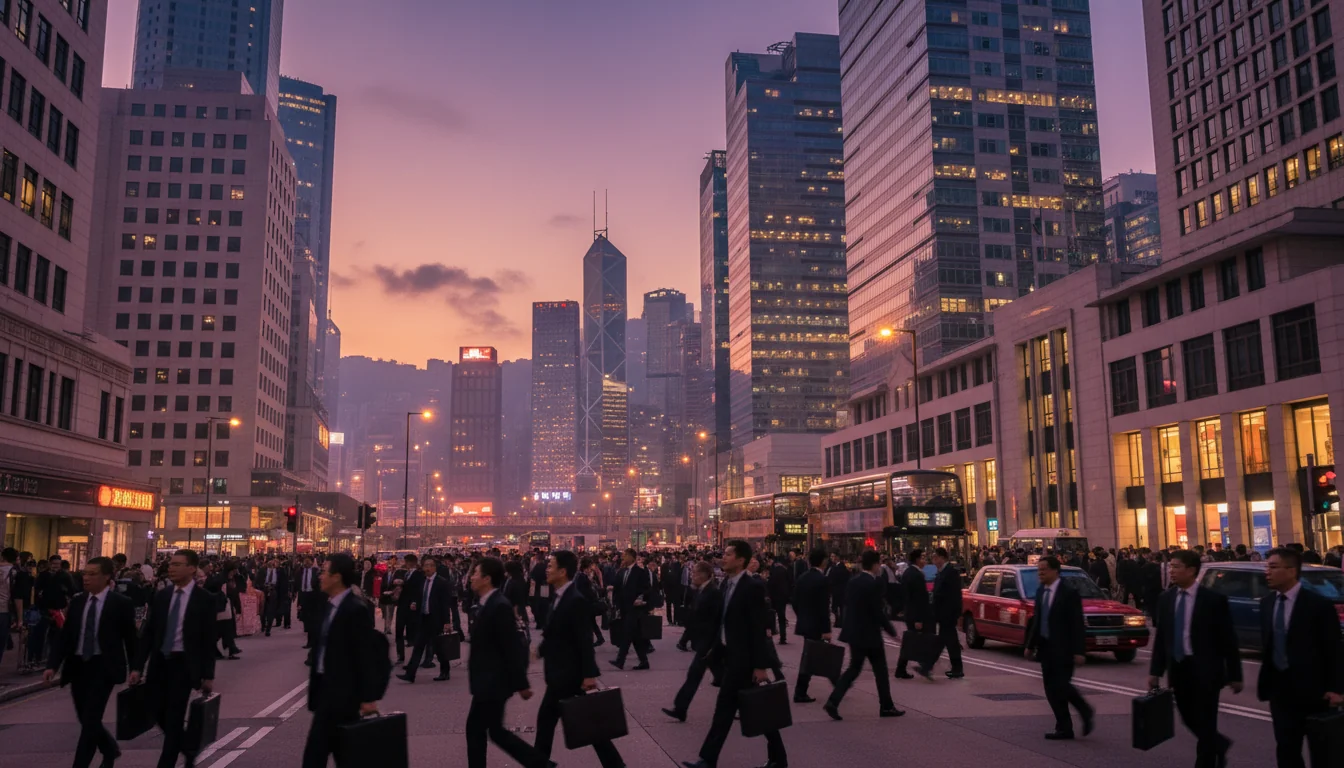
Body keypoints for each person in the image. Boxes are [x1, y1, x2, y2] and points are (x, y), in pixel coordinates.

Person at [683, 540, 786, 768]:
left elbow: (758, 628)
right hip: (730, 657)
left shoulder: (752, 587)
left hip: (745, 661)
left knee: (728, 711)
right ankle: (778, 758)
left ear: (740, 560)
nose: (724, 557)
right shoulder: (726, 584)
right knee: (752, 710)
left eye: (729, 554)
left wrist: (760, 666)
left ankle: (708, 760)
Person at [1146, 549, 1242, 768]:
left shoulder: (1213, 601)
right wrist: (1155, 671)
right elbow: (1162, 638)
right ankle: (1218, 744)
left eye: (1176, 566)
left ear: (1191, 570)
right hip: (1179, 668)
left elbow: (1228, 640)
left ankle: (1206, 761)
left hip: (1207, 670)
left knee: (1207, 719)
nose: (1171, 570)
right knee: (1188, 716)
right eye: (1170, 566)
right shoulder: (1166, 598)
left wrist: (1235, 675)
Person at [44, 556, 138, 768]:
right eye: (85, 573)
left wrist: (136, 668)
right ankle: (109, 748)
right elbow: (66, 637)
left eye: (92, 574)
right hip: (78, 666)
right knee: (86, 718)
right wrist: (52, 665)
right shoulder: (78, 602)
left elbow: (131, 639)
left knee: (91, 719)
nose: (86, 578)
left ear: (107, 577)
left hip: (104, 668)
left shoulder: (121, 604)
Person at [534, 550, 624, 767]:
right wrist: (538, 651)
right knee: (586, 724)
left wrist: (589, 674)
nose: (547, 569)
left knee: (558, 722)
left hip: (568, 674)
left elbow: (584, 640)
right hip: (561, 673)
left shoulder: (575, 599)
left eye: (551, 566)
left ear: (563, 571)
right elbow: (555, 632)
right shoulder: (559, 595)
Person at [1256, 547, 1343, 768]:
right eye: (1267, 567)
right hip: (1280, 691)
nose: (1267, 572)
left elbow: (1333, 649)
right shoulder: (1267, 603)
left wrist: (1336, 688)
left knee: (1322, 751)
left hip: (1315, 691)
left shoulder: (1318, 605)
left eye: (1273, 567)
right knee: (1286, 750)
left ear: (1292, 570)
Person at [134, 550, 217, 768]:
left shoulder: (204, 599)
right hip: (160, 661)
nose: (171, 568)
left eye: (178, 564)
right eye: (171, 564)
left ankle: (167, 762)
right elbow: (149, 633)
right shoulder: (162, 596)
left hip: (184, 665)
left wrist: (208, 675)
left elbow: (208, 640)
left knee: (175, 714)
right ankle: (189, 748)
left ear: (192, 568)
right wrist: (136, 666)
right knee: (155, 710)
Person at [465, 557, 550, 768]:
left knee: (481, 730)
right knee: (491, 731)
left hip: (493, 681)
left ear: (486, 578)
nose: (471, 578)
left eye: (475, 573)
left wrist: (522, 684)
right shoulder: (488, 603)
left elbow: (511, 647)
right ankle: (539, 763)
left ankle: (540, 763)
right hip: (489, 680)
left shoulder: (498, 605)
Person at [301, 554, 383, 768]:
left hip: (344, 696)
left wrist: (368, 698)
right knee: (337, 755)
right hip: (327, 693)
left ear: (337, 577)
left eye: (324, 572)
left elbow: (364, 655)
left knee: (319, 756)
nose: (320, 576)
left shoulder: (354, 609)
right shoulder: (329, 606)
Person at [823, 550, 903, 720]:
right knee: (880, 671)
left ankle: (833, 701)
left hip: (854, 632)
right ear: (875, 565)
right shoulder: (873, 584)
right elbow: (877, 611)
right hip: (870, 634)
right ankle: (886, 706)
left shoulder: (854, 581)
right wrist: (891, 631)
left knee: (853, 668)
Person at [1024, 556, 1093, 740]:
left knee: (1061, 686)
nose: (1040, 573)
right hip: (1046, 648)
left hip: (1065, 648)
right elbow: (1037, 621)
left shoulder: (1068, 592)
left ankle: (1085, 710)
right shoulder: (1040, 592)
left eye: (1044, 569)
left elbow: (1077, 623)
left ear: (1055, 570)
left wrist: (1079, 650)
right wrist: (1030, 646)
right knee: (1051, 690)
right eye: (1039, 569)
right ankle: (1064, 727)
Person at [663, 560, 722, 721]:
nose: (692, 576)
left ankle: (680, 708)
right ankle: (680, 708)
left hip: (708, 644)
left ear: (704, 575)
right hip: (703, 642)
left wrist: (710, 644)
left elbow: (715, 620)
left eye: (695, 573)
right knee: (719, 678)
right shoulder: (701, 590)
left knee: (695, 675)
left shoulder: (713, 592)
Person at [398, 556, 454, 683]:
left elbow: (445, 604)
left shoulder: (441, 583)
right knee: (418, 646)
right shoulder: (423, 581)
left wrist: (447, 622)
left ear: (434, 568)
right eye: (425, 565)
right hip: (423, 618)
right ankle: (410, 674)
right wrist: (415, 603)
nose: (427, 568)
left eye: (430, 565)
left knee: (438, 647)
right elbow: (420, 596)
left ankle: (445, 671)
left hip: (436, 619)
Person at [791, 548, 832, 704]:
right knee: (811, 657)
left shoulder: (802, 578)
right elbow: (824, 607)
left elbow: (794, 601)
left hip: (805, 622)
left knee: (812, 655)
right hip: (816, 624)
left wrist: (802, 616)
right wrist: (826, 630)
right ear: (823, 561)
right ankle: (800, 691)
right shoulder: (822, 580)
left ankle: (838, 682)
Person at [925, 547, 965, 679]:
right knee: (945, 641)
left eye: (935, 557)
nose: (934, 560)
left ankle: (929, 666)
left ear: (942, 558)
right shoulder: (941, 572)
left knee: (948, 641)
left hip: (948, 613)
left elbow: (955, 595)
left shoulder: (950, 573)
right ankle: (930, 666)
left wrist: (957, 614)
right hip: (942, 614)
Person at [609, 548, 651, 671]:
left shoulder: (640, 572)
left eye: (626, 555)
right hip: (624, 608)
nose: (623, 557)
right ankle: (644, 661)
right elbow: (617, 587)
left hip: (635, 608)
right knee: (636, 636)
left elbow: (647, 588)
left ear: (632, 557)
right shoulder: (622, 572)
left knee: (627, 634)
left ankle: (620, 661)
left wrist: (641, 598)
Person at [894, 549, 931, 679]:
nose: (925, 561)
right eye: (923, 558)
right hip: (916, 615)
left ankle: (904, 668)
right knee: (918, 641)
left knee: (911, 642)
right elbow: (917, 599)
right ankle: (924, 666)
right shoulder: (916, 575)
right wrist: (918, 619)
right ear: (917, 560)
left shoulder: (908, 573)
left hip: (911, 613)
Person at [394, 554, 425, 664]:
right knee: (399, 631)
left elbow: (419, 591)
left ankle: (414, 659)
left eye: (406, 562)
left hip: (411, 608)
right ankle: (400, 656)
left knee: (412, 633)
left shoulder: (419, 575)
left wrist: (414, 602)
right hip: (402, 606)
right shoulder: (404, 573)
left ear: (411, 562)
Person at [296, 556, 321, 650]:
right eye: (305, 562)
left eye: (308, 561)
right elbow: (297, 583)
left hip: (313, 596)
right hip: (303, 596)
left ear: (312, 562)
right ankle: (308, 631)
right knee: (305, 617)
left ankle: (311, 641)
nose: (306, 563)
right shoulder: (300, 572)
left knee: (312, 619)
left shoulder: (316, 572)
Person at [766, 554, 792, 644]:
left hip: (774, 596)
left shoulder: (773, 570)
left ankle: (772, 633)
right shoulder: (785, 570)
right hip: (782, 597)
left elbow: (770, 583)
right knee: (781, 617)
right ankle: (783, 637)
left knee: (772, 615)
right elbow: (790, 582)